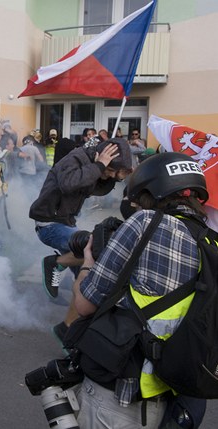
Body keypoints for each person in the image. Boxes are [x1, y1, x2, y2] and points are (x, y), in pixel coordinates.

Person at [70, 151, 209, 428]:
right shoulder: (209, 242)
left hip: (123, 393)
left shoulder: (146, 222)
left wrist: (88, 261)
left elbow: (85, 304)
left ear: (151, 191)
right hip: (177, 391)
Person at [30, 139, 133, 299]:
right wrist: (99, 166)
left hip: (66, 223)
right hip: (49, 224)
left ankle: (72, 316)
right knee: (93, 248)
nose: (111, 174)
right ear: (100, 156)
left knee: (86, 272)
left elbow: (98, 189)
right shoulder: (75, 158)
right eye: (111, 169)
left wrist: (117, 176)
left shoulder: (92, 164)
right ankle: (56, 263)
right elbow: (68, 183)